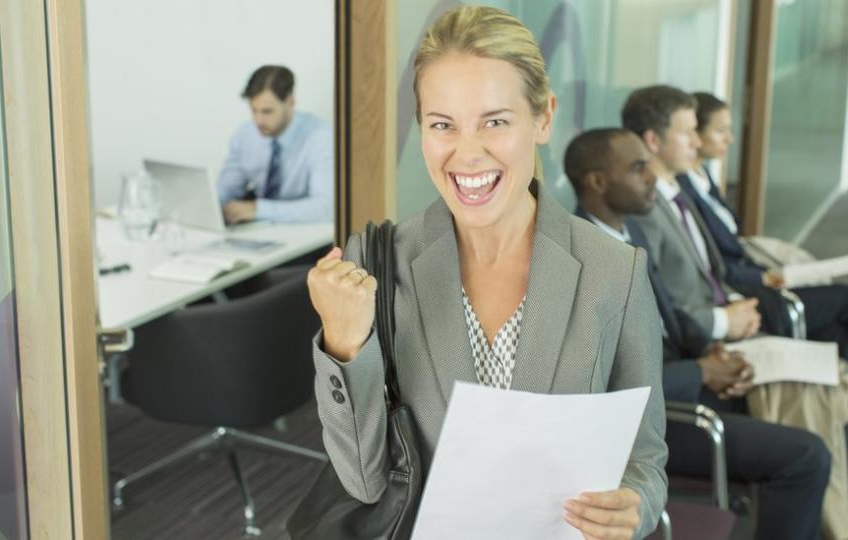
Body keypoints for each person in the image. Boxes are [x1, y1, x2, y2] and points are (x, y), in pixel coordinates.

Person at [306, 7, 666, 538]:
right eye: (442, 125)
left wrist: (635, 503)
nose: (467, 154)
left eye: (495, 121)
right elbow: (364, 483)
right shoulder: (376, 267)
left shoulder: (616, 271)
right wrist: (342, 344)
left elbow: (646, 457)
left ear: (543, 118)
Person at [565, 127, 848, 539]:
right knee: (807, 457)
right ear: (597, 181)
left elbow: (671, 317)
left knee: (818, 388)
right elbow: (607, 384)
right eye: (639, 168)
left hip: (685, 378)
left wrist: (711, 350)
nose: (652, 178)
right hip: (656, 422)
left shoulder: (633, 233)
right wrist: (701, 371)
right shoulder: (582, 260)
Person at [684, 91, 848, 416]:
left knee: (837, 333)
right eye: (720, 130)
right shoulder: (681, 191)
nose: (730, 139)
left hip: (756, 274)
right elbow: (716, 264)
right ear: (693, 135)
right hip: (747, 292)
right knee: (847, 300)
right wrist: (763, 276)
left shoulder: (702, 177)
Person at [620, 85, 763, 346]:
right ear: (653, 141)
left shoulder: (679, 190)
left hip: (727, 322)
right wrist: (724, 321)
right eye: (688, 134)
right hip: (698, 344)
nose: (697, 143)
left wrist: (735, 306)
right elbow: (657, 305)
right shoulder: (642, 210)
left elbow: (710, 274)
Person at [217, 65, 333, 224]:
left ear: (290, 102)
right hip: (258, 231)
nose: (258, 121)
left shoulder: (320, 137)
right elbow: (225, 192)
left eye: (267, 112)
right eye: (253, 110)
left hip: (303, 232)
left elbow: (326, 208)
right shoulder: (245, 134)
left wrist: (259, 210)